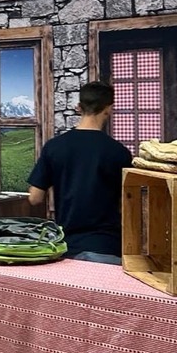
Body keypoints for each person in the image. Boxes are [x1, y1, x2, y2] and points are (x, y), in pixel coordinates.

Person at [27, 81, 133, 264]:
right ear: (108, 109)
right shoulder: (119, 152)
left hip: (65, 248)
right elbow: (129, 204)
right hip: (106, 247)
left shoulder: (54, 147)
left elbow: (35, 197)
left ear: (79, 107)